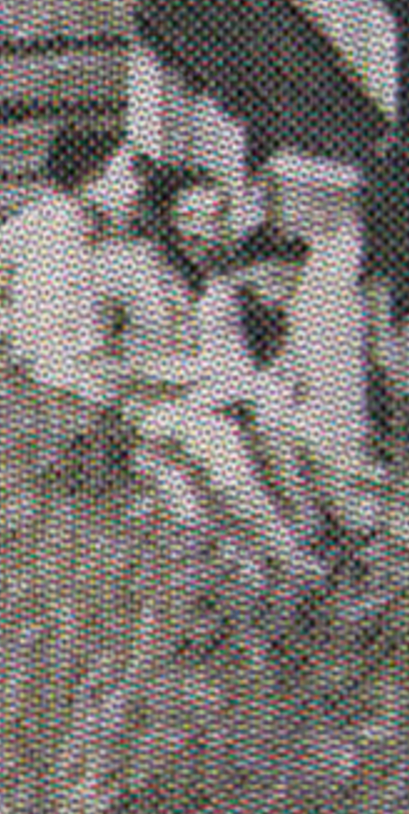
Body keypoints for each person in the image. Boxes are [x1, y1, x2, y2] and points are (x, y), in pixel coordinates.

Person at [120, 175, 324, 581]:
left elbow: (244, 357)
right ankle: (292, 558)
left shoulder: (225, 282)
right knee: (223, 446)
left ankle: (311, 528)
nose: (203, 230)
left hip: (217, 395)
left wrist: (273, 375)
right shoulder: (130, 271)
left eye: (215, 216)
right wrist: (170, 377)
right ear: (165, 220)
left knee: (280, 416)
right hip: (156, 402)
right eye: (189, 217)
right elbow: (106, 358)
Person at [0, 127, 148, 406]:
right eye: (126, 174)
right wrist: (16, 341)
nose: (137, 187)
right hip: (46, 393)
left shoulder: (118, 236)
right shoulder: (42, 230)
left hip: (100, 388)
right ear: (90, 178)